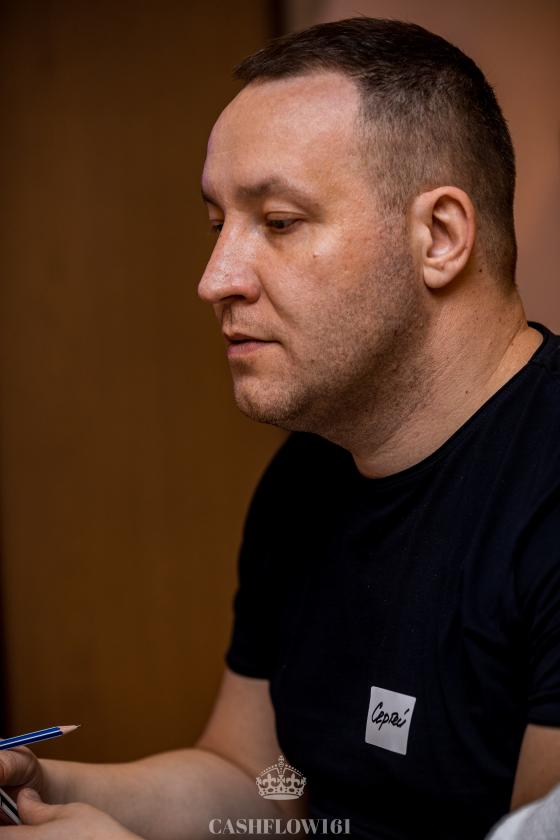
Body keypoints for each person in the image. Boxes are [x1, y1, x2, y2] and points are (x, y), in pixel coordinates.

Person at [0, 16, 559, 840]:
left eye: (280, 221)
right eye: (217, 225)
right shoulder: (306, 476)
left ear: (439, 237)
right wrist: (41, 784)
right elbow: (259, 783)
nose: (215, 279)